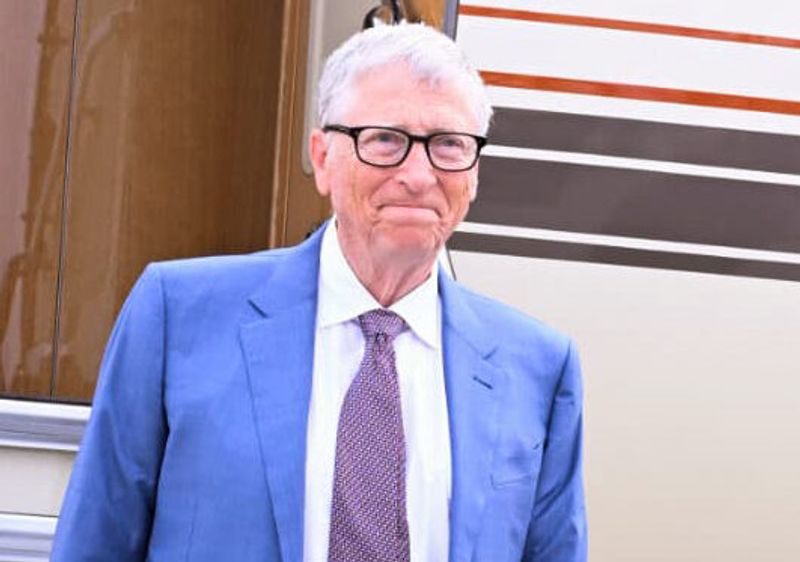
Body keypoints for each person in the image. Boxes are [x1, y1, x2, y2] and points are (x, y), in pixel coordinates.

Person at [51, 23, 586, 562]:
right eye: (386, 139)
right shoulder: (177, 316)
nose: (419, 175)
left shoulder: (537, 367)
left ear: (474, 173)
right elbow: (94, 544)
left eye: (449, 144)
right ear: (324, 158)